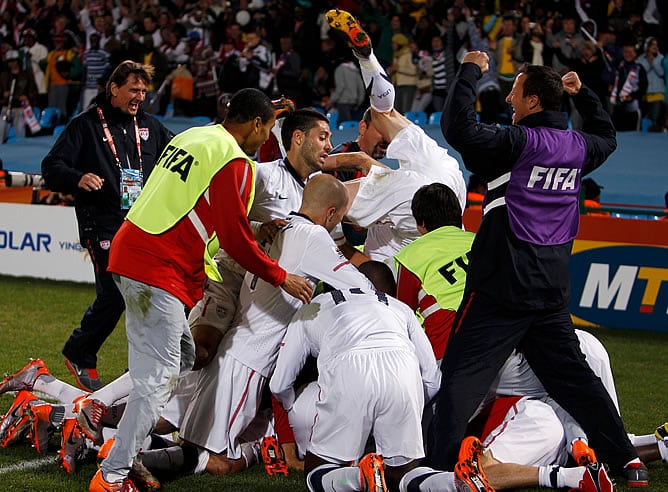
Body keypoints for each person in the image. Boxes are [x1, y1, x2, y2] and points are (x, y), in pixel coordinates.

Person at [431, 51, 647, 486]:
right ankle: (627, 461)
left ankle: (437, 469)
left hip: (500, 287)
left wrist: (471, 68)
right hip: (550, 288)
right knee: (576, 380)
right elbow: (607, 135)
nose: (509, 98)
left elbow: (457, 128)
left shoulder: (516, 143)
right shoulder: (579, 147)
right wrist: (583, 95)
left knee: (461, 379)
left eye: (515, 91)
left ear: (531, 102)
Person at [91, 87, 313, 491]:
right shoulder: (234, 161)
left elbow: (203, 211)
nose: (267, 141)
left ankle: (120, 439)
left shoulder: (194, 136)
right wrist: (283, 277)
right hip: (156, 268)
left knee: (187, 356)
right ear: (257, 124)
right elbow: (233, 239)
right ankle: (113, 472)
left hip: (134, 252)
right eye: (267, 130)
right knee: (157, 379)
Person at [41, 60, 174, 392]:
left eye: (144, 91)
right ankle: (80, 351)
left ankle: (142, 368)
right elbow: (51, 166)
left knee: (148, 295)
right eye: (133, 90)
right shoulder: (85, 126)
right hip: (102, 223)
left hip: (142, 225)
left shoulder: (151, 127)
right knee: (115, 292)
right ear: (114, 89)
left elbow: (176, 158)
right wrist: (78, 177)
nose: (140, 97)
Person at [269, 261, 441, 492]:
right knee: (402, 475)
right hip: (402, 370)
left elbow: (280, 383)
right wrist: (411, 406)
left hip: (349, 369)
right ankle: (457, 483)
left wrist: (290, 407)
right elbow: (432, 378)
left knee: (316, 472)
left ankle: (362, 478)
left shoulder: (315, 305)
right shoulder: (399, 307)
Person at [324, 9, 467, 275]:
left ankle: (367, 59)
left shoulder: (399, 191)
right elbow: (362, 158)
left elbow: (332, 209)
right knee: (384, 112)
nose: (383, 141)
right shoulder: (445, 171)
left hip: (396, 264)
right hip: (442, 175)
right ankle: (366, 57)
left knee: (323, 199)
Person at [0, 50, 39, 140]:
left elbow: (34, 91)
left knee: (20, 135)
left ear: (18, 61)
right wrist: (3, 94)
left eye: (13, 61)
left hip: (20, 108)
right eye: (9, 61)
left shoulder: (26, 75)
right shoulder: (4, 75)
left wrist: (27, 96)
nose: (12, 64)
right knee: (1, 133)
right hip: (6, 107)